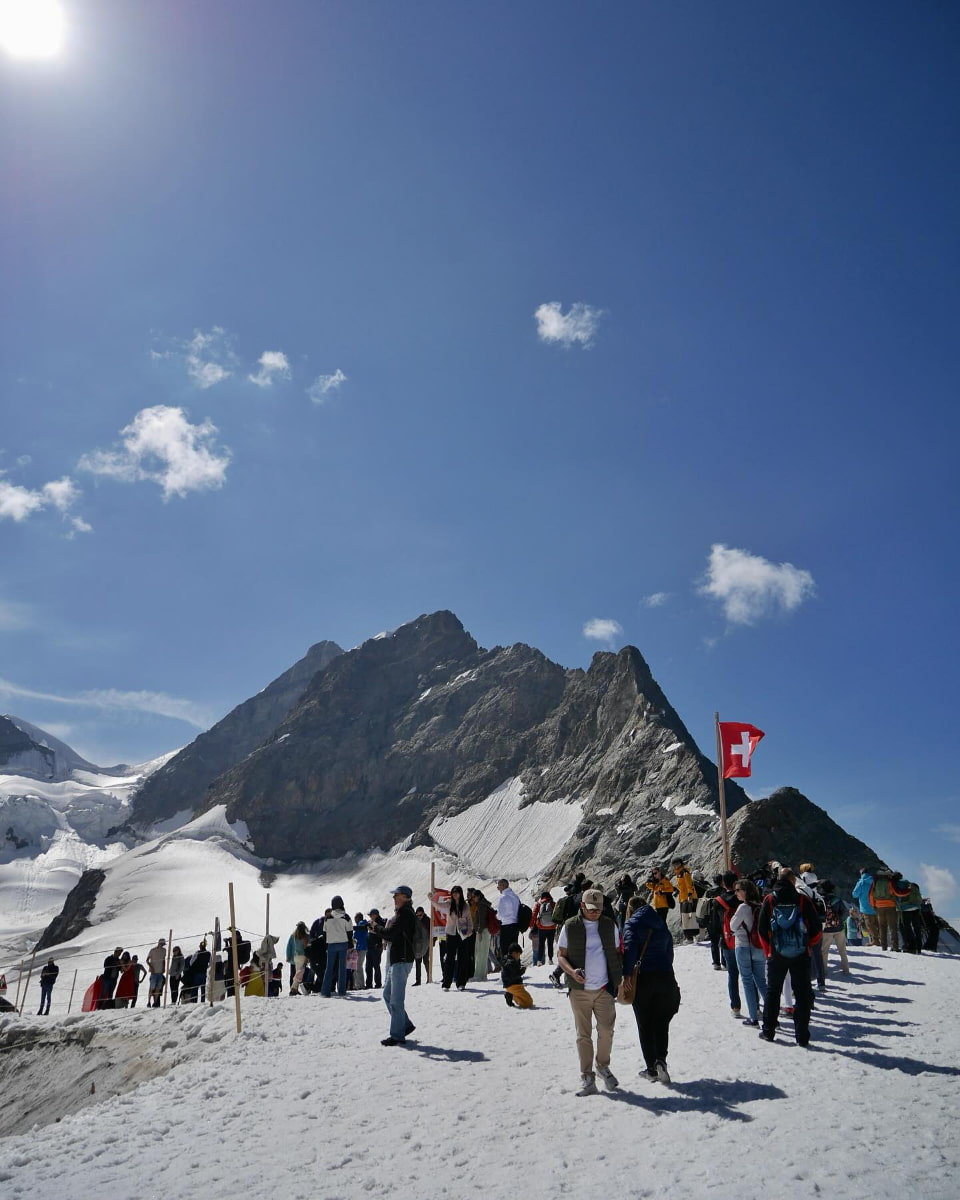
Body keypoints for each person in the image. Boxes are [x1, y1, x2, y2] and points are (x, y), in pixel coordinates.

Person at [556, 887, 622, 1097]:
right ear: (582, 906)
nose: (595, 912)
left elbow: (617, 952)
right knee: (583, 1035)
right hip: (579, 990)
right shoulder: (570, 926)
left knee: (606, 1031)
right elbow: (561, 955)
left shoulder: (609, 925)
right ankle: (587, 1076)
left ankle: (602, 1066)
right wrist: (572, 972)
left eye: (598, 909)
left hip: (604, 989)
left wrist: (619, 979)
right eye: (591, 908)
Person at [758, 868, 823, 1047]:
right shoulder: (803, 900)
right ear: (793, 881)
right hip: (801, 954)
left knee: (773, 992)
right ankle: (802, 1036)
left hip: (776, 953)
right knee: (802, 994)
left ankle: (768, 1031)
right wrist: (807, 945)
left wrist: (768, 951)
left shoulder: (769, 900)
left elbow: (762, 929)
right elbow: (816, 928)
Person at [622, 894, 681, 1083]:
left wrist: (626, 974)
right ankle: (661, 1060)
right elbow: (669, 948)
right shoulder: (659, 921)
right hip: (665, 975)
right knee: (661, 1022)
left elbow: (630, 950)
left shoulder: (632, 924)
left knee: (645, 1024)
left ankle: (651, 1069)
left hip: (643, 978)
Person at [380, 886, 417, 1046]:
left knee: (395, 999)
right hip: (398, 960)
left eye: (397, 895)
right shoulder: (403, 913)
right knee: (388, 995)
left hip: (402, 960)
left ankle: (397, 1035)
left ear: (405, 897)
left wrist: (376, 928)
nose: (394, 898)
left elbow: (390, 934)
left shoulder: (405, 914)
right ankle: (404, 1025)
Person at [730, 879, 767, 1026]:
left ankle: (753, 1017)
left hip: (743, 946)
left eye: (738, 890)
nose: (736, 893)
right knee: (761, 981)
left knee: (747, 981)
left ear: (746, 891)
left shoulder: (743, 907)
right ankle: (772, 1016)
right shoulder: (761, 905)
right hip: (759, 947)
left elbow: (732, 926)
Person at [430, 885, 475, 990]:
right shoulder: (449, 904)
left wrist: (470, 930)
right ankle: (447, 983)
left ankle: (461, 983)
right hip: (451, 933)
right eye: (453, 892)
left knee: (462, 958)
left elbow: (469, 919)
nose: (455, 894)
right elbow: (438, 906)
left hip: (463, 934)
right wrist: (432, 898)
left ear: (460, 893)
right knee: (450, 958)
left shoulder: (465, 906)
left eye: (457, 892)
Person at [714, 872, 743, 1017]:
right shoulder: (742, 898)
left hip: (727, 941)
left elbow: (715, 925)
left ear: (723, 884)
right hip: (745, 941)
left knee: (733, 974)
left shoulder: (718, 901)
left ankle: (735, 1007)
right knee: (749, 975)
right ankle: (755, 1006)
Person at [320, 897, 353, 997]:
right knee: (342, 968)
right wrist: (350, 945)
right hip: (343, 943)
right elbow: (350, 933)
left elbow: (324, 932)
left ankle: (325, 991)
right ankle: (342, 991)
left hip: (331, 944)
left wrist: (326, 944)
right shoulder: (346, 917)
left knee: (329, 968)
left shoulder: (327, 918)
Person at [819, 881, 850, 975]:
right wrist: (839, 921)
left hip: (826, 929)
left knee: (824, 951)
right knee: (842, 950)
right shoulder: (837, 899)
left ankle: (824, 971)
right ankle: (846, 970)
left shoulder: (820, 900)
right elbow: (845, 912)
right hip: (839, 928)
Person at [893, 874, 924, 954]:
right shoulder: (908, 883)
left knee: (905, 927)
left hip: (905, 908)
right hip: (916, 907)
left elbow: (899, 896)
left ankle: (910, 946)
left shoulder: (897, 884)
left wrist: (898, 907)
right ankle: (919, 946)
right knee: (916, 927)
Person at [670, 858, 699, 942]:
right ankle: (689, 937)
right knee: (685, 918)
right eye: (674, 864)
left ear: (680, 863)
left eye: (677, 863)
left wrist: (690, 895)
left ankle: (692, 936)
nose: (675, 865)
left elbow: (689, 885)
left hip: (688, 898)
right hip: (683, 898)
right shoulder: (679, 873)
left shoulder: (684, 872)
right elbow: (682, 886)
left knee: (689, 917)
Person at [469, 888, 494, 981]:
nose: (473, 898)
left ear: (478, 896)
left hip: (483, 931)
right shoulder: (483, 904)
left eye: (474, 896)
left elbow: (482, 920)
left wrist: (479, 932)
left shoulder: (481, 905)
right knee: (482, 953)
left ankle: (479, 975)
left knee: (481, 953)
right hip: (483, 931)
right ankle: (482, 974)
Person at [852, 868, 880, 947]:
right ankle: (879, 940)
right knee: (877, 925)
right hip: (876, 906)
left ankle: (875, 941)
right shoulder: (874, 881)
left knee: (869, 925)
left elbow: (854, 894)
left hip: (866, 908)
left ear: (861, 874)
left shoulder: (861, 882)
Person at [501, 943, 533, 1008]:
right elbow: (515, 974)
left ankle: (510, 994)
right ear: (514, 953)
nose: (519, 957)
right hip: (515, 985)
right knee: (529, 1002)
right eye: (518, 955)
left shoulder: (506, 960)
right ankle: (510, 994)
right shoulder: (511, 962)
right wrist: (522, 970)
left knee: (522, 997)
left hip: (509, 985)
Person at [495, 879, 521, 961]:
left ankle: (507, 966)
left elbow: (500, 915)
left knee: (505, 949)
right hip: (515, 925)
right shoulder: (516, 897)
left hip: (506, 926)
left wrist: (496, 917)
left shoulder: (502, 898)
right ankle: (516, 965)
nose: (498, 888)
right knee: (514, 949)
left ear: (503, 886)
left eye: (498, 886)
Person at [531, 891, 557, 965]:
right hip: (552, 927)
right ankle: (550, 959)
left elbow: (534, 914)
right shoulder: (553, 903)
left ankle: (539, 961)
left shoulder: (539, 904)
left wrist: (531, 925)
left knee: (541, 944)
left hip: (541, 927)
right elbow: (557, 913)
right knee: (550, 943)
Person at [286, 921, 310, 995]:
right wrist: (307, 958)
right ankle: (293, 988)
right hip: (302, 956)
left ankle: (294, 989)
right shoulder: (305, 936)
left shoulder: (294, 936)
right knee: (299, 973)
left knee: (297, 973)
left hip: (296, 957)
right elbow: (306, 947)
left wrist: (288, 956)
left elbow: (289, 946)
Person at [365, 909, 385, 988]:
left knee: (376, 965)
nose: (370, 916)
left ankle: (378, 983)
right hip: (370, 946)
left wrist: (371, 930)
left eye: (371, 915)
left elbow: (381, 933)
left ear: (375, 915)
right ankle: (369, 984)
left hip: (376, 946)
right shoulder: (371, 922)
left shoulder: (380, 922)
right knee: (368, 966)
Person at [146, 938, 167, 1007]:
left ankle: (155, 1002)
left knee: (158, 988)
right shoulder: (152, 950)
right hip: (154, 972)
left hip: (160, 972)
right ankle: (149, 1002)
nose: (162, 945)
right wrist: (151, 967)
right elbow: (147, 960)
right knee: (152, 988)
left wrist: (164, 967)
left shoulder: (164, 950)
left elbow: (163, 959)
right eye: (162, 944)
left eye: (163, 944)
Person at [353, 913, 369, 986]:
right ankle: (358, 984)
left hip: (361, 948)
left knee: (358, 966)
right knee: (357, 966)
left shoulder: (361, 923)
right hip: (360, 947)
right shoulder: (361, 924)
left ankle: (361, 984)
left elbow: (358, 934)